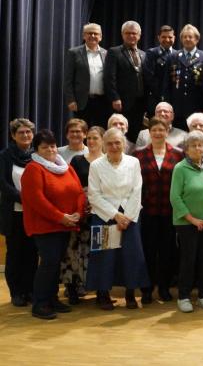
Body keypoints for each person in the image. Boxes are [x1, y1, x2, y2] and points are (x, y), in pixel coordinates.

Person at [20, 130, 86, 319]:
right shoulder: (34, 169)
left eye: (52, 145)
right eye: (44, 147)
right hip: (45, 226)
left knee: (56, 264)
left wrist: (78, 213)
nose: (50, 149)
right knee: (48, 264)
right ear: (37, 150)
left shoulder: (65, 167)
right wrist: (60, 217)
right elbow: (37, 201)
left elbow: (79, 192)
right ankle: (40, 304)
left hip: (66, 224)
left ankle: (52, 299)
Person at [86, 128, 149, 310]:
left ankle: (130, 293)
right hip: (104, 215)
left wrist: (127, 217)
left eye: (117, 142)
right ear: (104, 145)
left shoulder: (133, 162)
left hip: (130, 215)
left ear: (124, 144)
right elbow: (94, 195)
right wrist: (116, 215)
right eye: (110, 143)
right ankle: (103, 294)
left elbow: (137, 190)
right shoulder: (96, 165)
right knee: (105, 257)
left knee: (132, 255)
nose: (114, 146)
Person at [170, 131, 203, 313]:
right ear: (186, 149)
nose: (198, 148)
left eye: (201, 145)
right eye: (194, 145)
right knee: (188, 260)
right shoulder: (180, 168)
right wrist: (193, 220)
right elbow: (175, 198)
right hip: (187, 224)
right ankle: (184, 296)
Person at [133, 117, 184, 303]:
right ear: (149, 132)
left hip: (170, 212)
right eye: (153, 130)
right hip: (148, 211)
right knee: (148, 251)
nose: (157, 133)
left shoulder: (178, 154)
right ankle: (147, 289)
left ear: (167, 132)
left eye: (161, 130)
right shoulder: (138, 155)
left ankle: (164, 288)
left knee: (167, 252)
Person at [61, 126, 104, 304]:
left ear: (103, 140)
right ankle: (71, 288)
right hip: (80, 210)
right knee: (73, 250)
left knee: (95, 251)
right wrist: (81, 206)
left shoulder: (107, 161)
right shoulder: (78, 160)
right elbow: (70, 186)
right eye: (90, 138)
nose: (92, 141)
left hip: (100, 211)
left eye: (96, 138)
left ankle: (92, 286)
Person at [0, 118, 37, 307]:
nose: (25, 135)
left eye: (28, 132)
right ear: (13, 135)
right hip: (14, 213)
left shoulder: (37, 155)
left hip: (35, 214)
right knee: (15, 254)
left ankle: (30, 290)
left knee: (32, 253)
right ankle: (16, 292)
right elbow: (4, 185)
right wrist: (26, 199)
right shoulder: (5, 156)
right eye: (21, 132)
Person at [105, 21, 147, 141]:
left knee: (135, 133)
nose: (131, 36)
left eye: (134, 33)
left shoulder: (143, 55)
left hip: (140, 103)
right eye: (127, 33)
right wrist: (114, 97)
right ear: (122, 35)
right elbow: (109, 77)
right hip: (122, 102)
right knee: (120, 134)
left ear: (139, 35)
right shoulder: (114, 52)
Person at [64, 23, 110, 128]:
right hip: (82, 101)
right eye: (89, 33)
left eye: (95, 33)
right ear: (84, 36)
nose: (92, 36)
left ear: (100, 37)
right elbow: (68, 79)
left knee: (100, 131)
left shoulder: (106, 54)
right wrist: (71, 100)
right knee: (82, 131)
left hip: (102, 101)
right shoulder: (74, 53)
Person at [163, 24, 203, 126]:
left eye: (190, 37)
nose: (187, 39)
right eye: (184, 37)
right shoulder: (173, 57)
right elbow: (166, 83)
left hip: (197, 105)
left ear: (197, 39)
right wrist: (166, 103)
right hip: (177, 105)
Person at [143, 25, 176, 118]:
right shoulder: (152, 53)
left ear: (174, 38)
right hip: (156, 99)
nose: (167, 39)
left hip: (174, 99)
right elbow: (149, 77)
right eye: (164, 37)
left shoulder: (177, 54)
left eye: (170, 37)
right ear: (158, 38)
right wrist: (163, 95)